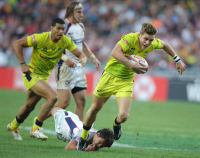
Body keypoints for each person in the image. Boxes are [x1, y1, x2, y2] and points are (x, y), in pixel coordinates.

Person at [77, 22, 187, 150]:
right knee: (95, 109)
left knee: (124, 115)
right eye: (145, 39)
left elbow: (165, 45)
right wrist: (131, 65)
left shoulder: (152, 43)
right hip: (109, 77)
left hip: (126, 80)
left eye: (150, 40)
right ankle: (83, 137)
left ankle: (116, 122)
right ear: (139, 35)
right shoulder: (129, 38)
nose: (147, 43)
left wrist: (177, 60)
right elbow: (114, 52)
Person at [7, 18, 87, 141]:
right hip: (32, 73)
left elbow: (80, 54)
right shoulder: (41, 38)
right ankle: (36, 128)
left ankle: (13, 126)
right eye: (58, 28)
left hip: (43, 76)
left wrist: (82, 59)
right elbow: (17, 43)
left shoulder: (65, 41)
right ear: (51, 28)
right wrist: (23, 64)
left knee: (30, 106)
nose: (61, 31)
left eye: (63, 29)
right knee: (53, 97)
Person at [54, 1, 100, 121]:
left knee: (81, 101)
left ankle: (78, 132)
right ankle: (39, 122)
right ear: (70, 12)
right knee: (64, 103)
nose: (81, 14)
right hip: (64, 67)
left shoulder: (81, 26)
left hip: (78, 68)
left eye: (82, 12)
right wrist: (65, 58)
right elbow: (52, 46)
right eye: (78, 12)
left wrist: (93, 57)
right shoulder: (63, 26)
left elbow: (82, 44)